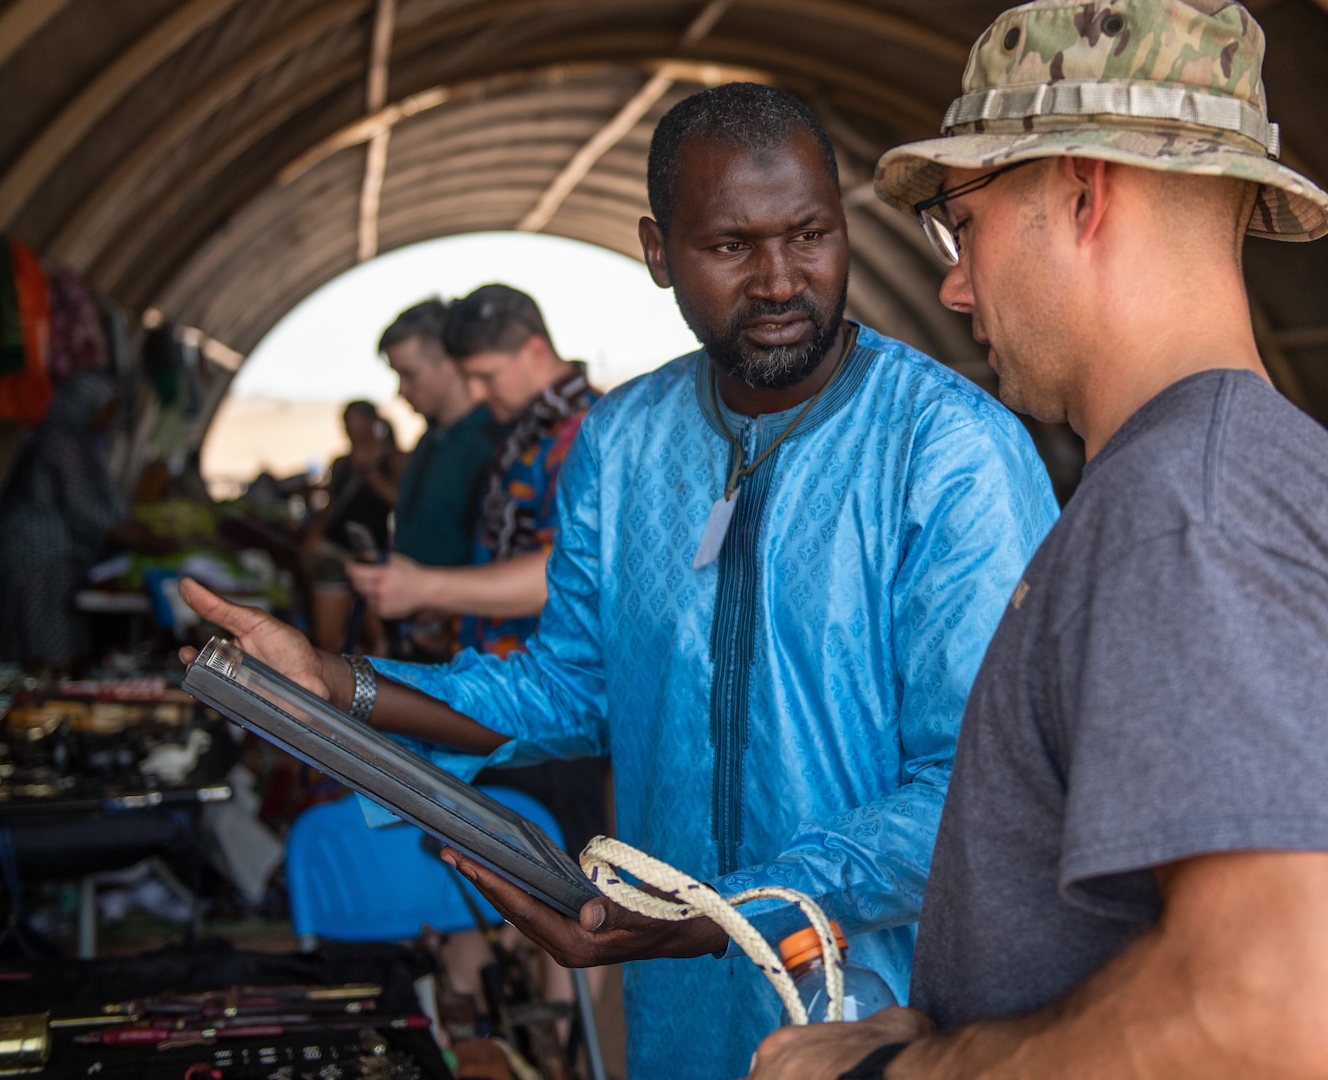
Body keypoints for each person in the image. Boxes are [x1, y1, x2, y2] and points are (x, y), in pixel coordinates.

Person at [182, 81, 1056, 1080]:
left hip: (882, 1024)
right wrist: (337, 683)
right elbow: (571, 685)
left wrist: (718, 913)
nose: (779, 279)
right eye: (730, 245)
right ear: (657, 252)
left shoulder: (949, 451)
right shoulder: (623, 442)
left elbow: (978, 790)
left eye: (808, 234)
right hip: (678, 1013)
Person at [751, 0, 1328, 1080]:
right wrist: (940, 1036)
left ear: (1080, 193)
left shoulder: (1191, 507)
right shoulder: (1254, 469)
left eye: (960, 222)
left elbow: (1288, 1010)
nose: (955, 286)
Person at [351, 286, 592, 657]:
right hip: (498, 667)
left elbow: (564, 573)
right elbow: (505, 550)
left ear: (535, 352)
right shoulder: (523, 429)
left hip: (550, 687)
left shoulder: (586, 434)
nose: (476, 394)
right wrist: (457, 617)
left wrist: (428, 588)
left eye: (487, 375)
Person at [0, 370, 129, 664]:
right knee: (39, 644)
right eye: (107, 410)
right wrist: (138, 536)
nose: (111, 419)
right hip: (34, 559)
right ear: (86, 405)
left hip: (42, 559)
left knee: (38, 637)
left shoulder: (72, 442)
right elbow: (85, 508)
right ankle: (35, 700)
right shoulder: (62, 444)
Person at [376, 299, 500, 658]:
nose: (401, 391)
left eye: (409, 374)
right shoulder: (430, 440)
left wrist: (449, 610)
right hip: (417, 635)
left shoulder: (494, 445)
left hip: (468, 649)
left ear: (450, 363)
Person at [304, 400, 405, 654]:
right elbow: (331, 505)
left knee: (379, 637)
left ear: (372, 422)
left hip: (374, 555)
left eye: (355, 422)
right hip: (335, 549)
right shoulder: (341, 463)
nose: (349, 429)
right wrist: (314, 535)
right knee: (328, 637)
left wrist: (371, 475)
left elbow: (400, 501)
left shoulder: (394, 459)